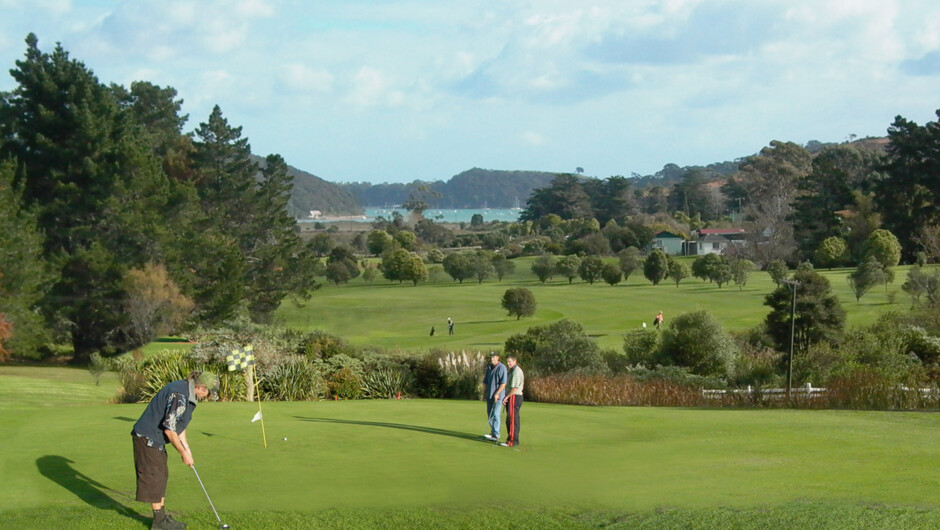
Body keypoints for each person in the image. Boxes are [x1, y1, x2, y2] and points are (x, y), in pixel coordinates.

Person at [132, 371, 219, 530]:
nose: (207, 396)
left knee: (161, 475)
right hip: (147, 437)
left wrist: (187, 449)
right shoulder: (180, 395)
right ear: (201, 387)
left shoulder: (188, 392)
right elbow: (170, 430)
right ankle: (159, 523)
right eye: (208, 392)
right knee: (155, 476)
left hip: (154, 438)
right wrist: (182, 452)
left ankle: (162, 518)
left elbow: (180, 427)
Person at [482, 352, 507, 442]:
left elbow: (503, 383)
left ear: (498, 358)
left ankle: (496, 434)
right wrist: (485, 394)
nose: (492, 359)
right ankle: (493, 432)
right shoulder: (489, 368)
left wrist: (497, 393)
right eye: (491, 357)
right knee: (490, 415)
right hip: (489, 395)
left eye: (494, 357)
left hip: (498, 396)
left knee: (496, 414)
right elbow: (486, 383)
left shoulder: (502, 368)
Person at [500, 355, 524, 447]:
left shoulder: (517, 371)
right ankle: (511, 439)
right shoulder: (512, 371)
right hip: (512, 396)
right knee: (510, 419)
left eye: (510, 361)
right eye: (507, 362)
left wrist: (506, 397)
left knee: (512, 419)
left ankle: (512, 441)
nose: (508, 363)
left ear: (515, 361)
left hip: (514, 396)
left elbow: (514, 388)